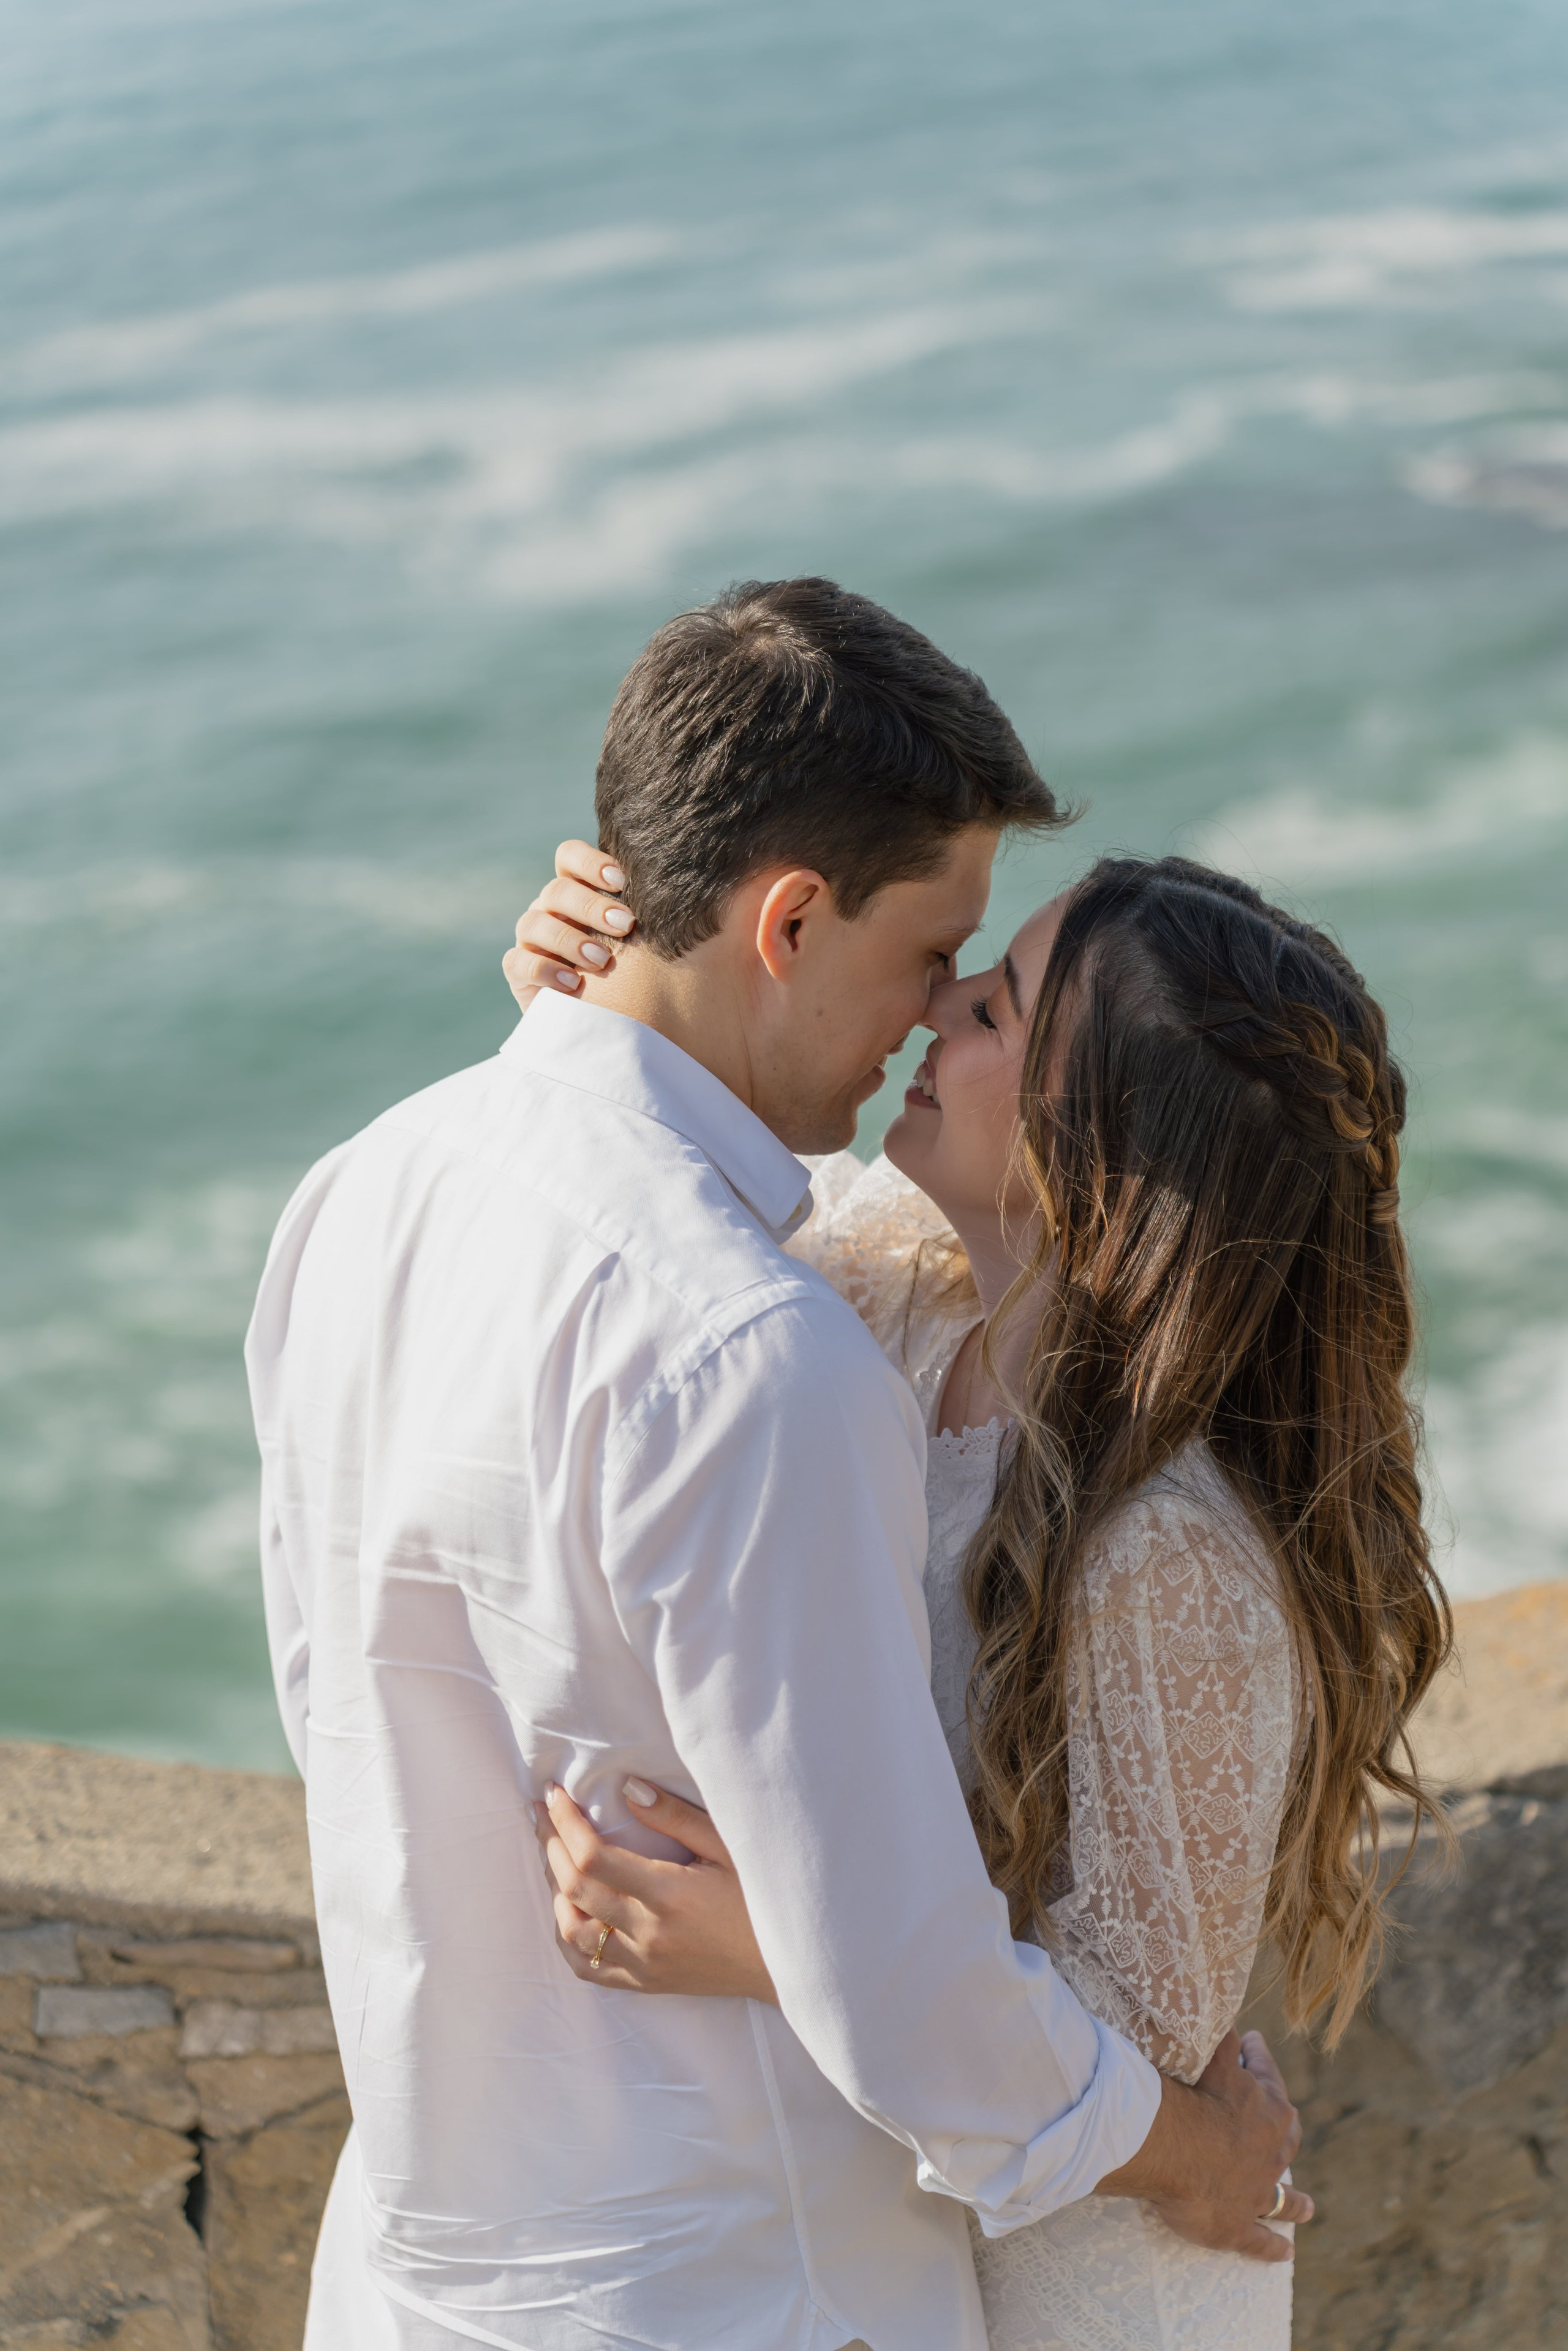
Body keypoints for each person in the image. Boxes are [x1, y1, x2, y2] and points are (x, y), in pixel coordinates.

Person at [247, 578, 1305, 2351]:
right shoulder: (754, 1351)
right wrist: (1198, 2152)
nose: (935, 1012)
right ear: (790, 916)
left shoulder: (362, 1188)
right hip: (742, 2283)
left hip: (415, 2275)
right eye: (927, 958)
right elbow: (907, 1989)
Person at [506, 834, 1452, 2349]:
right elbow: (642, 1210)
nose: (936, 1010)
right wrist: (593, 998)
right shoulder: (890, 1286)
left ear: (1109, 1144)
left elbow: (1134, 2075)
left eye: (999, 1008)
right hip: (892, 2238)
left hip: (1084, 2290)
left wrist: (751, 1941)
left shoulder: (1168, 1553)